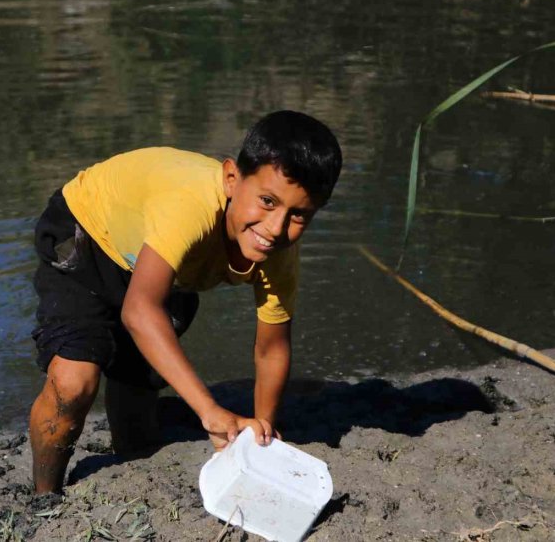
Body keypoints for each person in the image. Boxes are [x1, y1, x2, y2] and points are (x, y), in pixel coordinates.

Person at [28, 110, 342, 493]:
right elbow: (139, 310)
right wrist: (209, 411)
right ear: (231, 179)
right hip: (89, 235)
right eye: (266, 201)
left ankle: (131, 451)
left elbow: (271, 348)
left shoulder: (278, 254)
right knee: (74, 383)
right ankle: (44, 496)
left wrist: (261, 433)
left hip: (163, 266)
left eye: (299, 216)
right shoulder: (190, 207)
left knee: (137, 407)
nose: (275, 228)